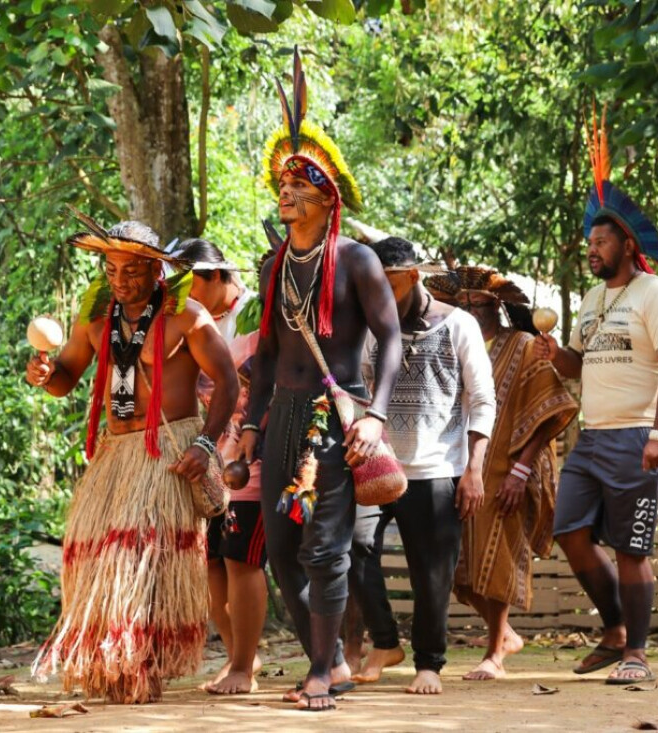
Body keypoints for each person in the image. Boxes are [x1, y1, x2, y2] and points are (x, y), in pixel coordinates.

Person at [238, 49, 402, 712]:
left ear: (327, 195)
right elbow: (270, 355)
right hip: (284, 413)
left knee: (325, 546)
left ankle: (318, 675)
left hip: (334, 421)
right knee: (280, 547)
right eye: (282, 179)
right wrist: (250, 424)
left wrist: (375, 414)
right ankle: (330, 660)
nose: (286, 189)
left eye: (300, 180)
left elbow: (390, 338)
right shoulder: (274, 264)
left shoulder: (358, 260)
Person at [26, 216, 239, 703]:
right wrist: (40, 372)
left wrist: (205, 445)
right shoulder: (96, 323)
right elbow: (63, 382)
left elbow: (227, 383)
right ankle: (111, 664)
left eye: (132, 271)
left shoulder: (187, 318)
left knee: (144, 555)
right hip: (116, 452)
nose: (121, 281)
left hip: (166, 452)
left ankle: (141, 664)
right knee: (98, 553)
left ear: (156, 269)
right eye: (112, 270)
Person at [533, 112, 658, 685]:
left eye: (600, 240)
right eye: (589, 242)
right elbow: (579, 364)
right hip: (594, 436)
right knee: (569, 532)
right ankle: (616, 628)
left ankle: (636, 655)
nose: (592, 249)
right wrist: (555, 353)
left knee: (631, 546)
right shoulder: (595, 301)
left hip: (639, 435)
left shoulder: (656, 292)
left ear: (626, 242)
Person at [348, 239, 496, 695]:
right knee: (352, 546)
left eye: (387, 281)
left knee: (432, 573)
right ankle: (386, 643)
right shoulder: (370, 327)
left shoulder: (459, 325)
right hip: (378, 464)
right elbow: (355, 388)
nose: (377, 290)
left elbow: (483, 400)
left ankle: (429, 663)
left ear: (413, 277)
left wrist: (473, 470)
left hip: (438, 468)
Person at [436, 265, 578, 681]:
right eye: (462, 302)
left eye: (478, 301)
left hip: (506, 469)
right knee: (457, 565)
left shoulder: (523, 345)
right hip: (456, 465)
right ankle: (507, 636)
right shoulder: (452, 343)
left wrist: (520, 469)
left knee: (495, 558)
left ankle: (494, 653)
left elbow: (549, 408)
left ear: (496, 304)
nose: (471, 308)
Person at [173, 238, 268, 695]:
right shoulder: (188, 319)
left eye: (189, 280)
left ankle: (244, 668)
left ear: (215, 276)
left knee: (240, 558)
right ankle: (236, 656)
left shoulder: (256, 312)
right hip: (208, 456)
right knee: (208, 562)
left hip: (254, 453)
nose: (183, 291)